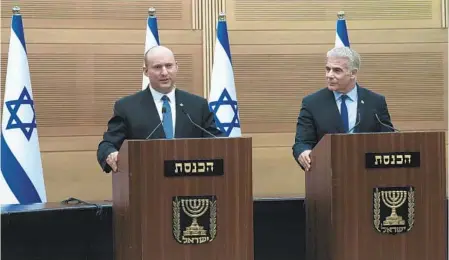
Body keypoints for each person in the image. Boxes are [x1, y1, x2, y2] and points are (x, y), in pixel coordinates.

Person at [97, 45, 223, 173]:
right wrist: (110, 153)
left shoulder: (197, 105)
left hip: (192, 184)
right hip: (146, 181)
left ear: (176, 67)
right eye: (157, 67)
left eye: (169, 66)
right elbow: (108, 144)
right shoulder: (127, 107)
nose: (164, 72)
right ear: (146, 71)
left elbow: (217, 140)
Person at [292, 46, 394, 171]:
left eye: (337, 70)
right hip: (328, 173)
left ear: (353, 73)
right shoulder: (312, 103)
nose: (329, 75)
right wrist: (304, 152)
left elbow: (389, 139)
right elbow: (301, 142)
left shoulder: (375, 102)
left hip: (369, 174)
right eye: (328, 69)